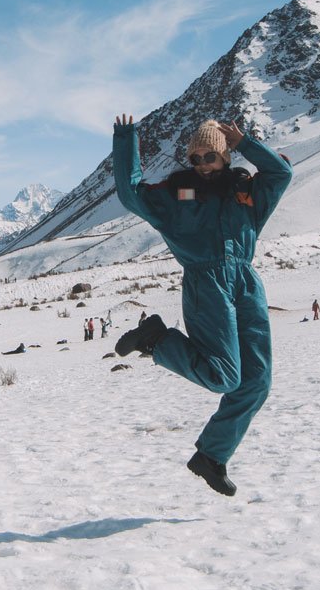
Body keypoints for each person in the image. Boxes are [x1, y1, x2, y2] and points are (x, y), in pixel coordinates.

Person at [112, 115, 292, 497]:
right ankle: (157, 341)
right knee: (224, 377)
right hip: (205, 284)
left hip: (245, 282)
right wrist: (127, 140)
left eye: (210, 156)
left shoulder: (246, 192)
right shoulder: (176, 196)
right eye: (194, 159)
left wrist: (246, 144)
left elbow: (280, 174)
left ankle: (211, 456)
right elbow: (130, 194)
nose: (202, 165)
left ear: (225, 157)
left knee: (257, 382)